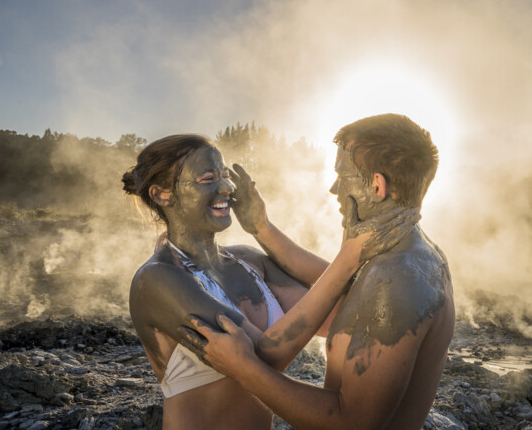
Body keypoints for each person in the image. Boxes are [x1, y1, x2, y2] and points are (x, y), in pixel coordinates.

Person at [123, 134, 413, 429]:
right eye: (207, 178)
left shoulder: (250, 262)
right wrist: (348, 257)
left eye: (224, 176)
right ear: (163, 194)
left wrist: (261, 227)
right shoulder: (158, 279)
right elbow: (262, 358)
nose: (226, 187)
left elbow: (349, 310)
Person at [187, 114, 455, 430]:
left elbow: (353, 421)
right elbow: (338, 280)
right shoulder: (408, 249)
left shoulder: (395, 280)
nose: (333, 188)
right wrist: (260, 226)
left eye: (343, 175)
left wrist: (243, 368)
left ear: (377, 185)